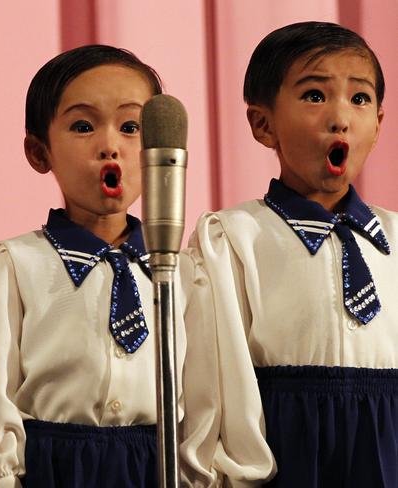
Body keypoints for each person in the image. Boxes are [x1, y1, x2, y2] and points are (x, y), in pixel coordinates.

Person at [0, 45, 195, 487]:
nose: (110, 146)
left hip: (154, 465)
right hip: (54, 467)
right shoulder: (13, 265)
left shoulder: (186, 273)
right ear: (40, 152)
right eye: (82, 126)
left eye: (131, 127)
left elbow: (204, 401)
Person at [185, 21, 390, 487]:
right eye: (315, 96)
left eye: (359, 99)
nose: (340, 117)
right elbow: (219, 387)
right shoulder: (232, 239)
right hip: (285, 457)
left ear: (378, 124)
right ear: (263, 123)